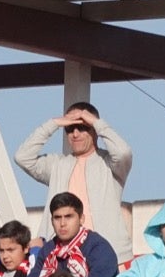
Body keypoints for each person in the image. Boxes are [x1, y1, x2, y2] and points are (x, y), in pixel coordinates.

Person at [15, 103, 133, 262]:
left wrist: (97, 123)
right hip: (60, 257)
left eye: (82, 127)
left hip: (105, 255)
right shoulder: (58, 164)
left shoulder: (109, 163)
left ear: (94, 130)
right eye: (70, 129)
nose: (75, 134)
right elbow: (22, 157)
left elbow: (123, 152)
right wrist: (54, 123)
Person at [33, 192, 119, 277]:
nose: (62, 224)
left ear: (81, 219)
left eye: (69, 217)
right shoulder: (48, 250)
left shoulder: (98, 247)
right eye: (57, 218)